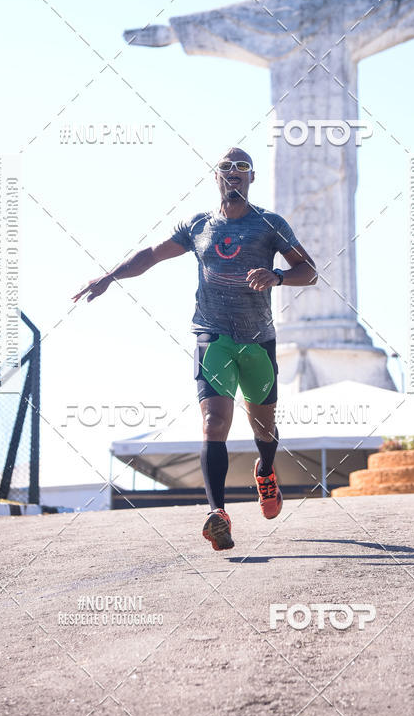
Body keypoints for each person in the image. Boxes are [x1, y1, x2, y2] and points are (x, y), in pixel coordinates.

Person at [73, 147, 318, 551]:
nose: (234, 173)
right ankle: (217, 513)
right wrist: (111, 276)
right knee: (214, 423)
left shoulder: (269, 225)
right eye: (226, 168)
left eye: (242, 168)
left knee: (263, 427)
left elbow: (308, 272)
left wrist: (276, 276)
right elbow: (151, 256)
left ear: (252, 178)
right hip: (212, 336)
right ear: (217, 177)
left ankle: (266, 470)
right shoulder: (198, 225)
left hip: (258, 340)